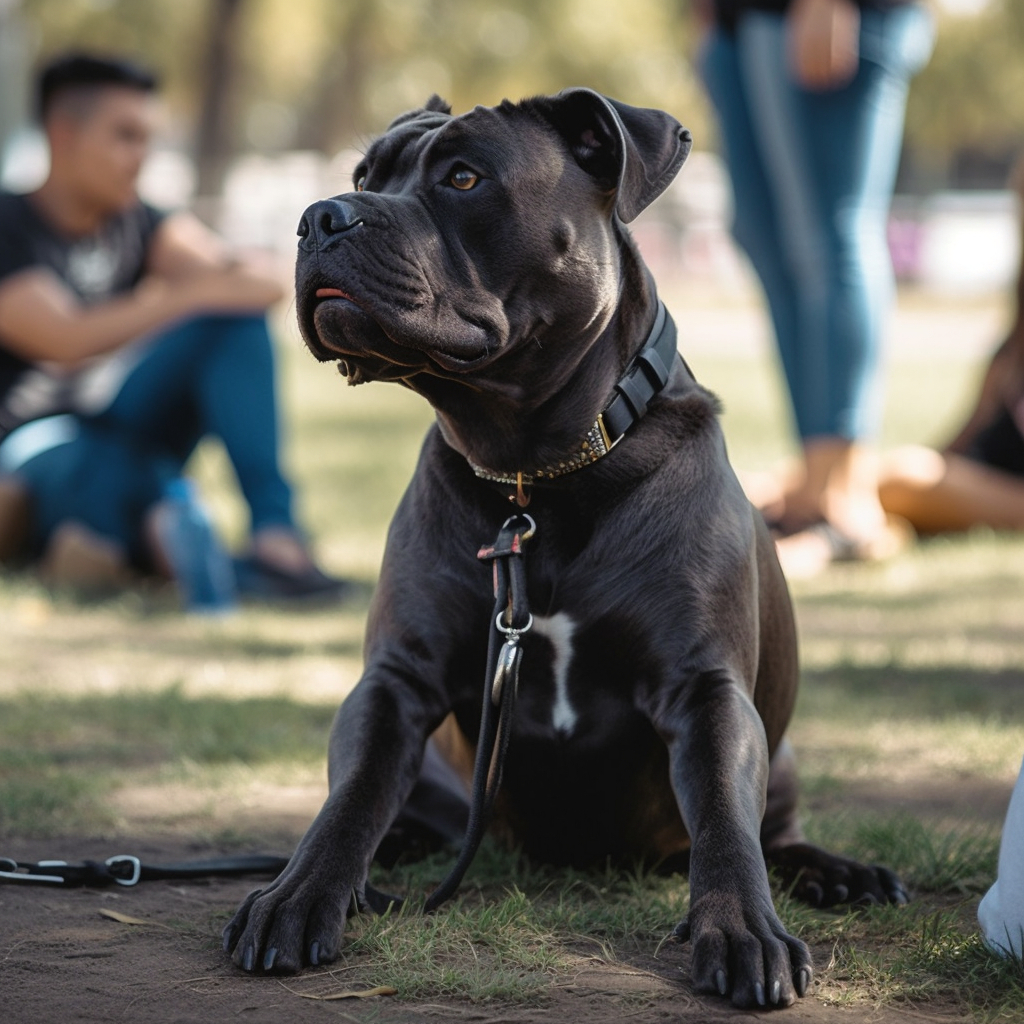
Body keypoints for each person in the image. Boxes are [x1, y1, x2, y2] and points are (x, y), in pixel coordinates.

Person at [0, 52, 345, 603]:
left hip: (121, 421)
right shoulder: (9, 225)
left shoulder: (141, 221)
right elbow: (64, 340)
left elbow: (262, 286)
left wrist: (202, 290)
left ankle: (269, 535)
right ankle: (141, 537)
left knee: (229, 325)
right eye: (126, 137)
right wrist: (194, 290)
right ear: (64, 134)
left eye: (147, 139)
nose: (141, 158)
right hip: (29, 440)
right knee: (87, 464)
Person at [698, 0, 935, 577]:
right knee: (765, 238)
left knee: (832, 236)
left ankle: (845, 496)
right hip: (740, 19)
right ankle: (812, 483)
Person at [877, 156, 1024, 533]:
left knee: (900, 477)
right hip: (976, 479)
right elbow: (959, 444)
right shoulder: (1016, 338)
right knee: (842, 473)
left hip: (1008, 496)